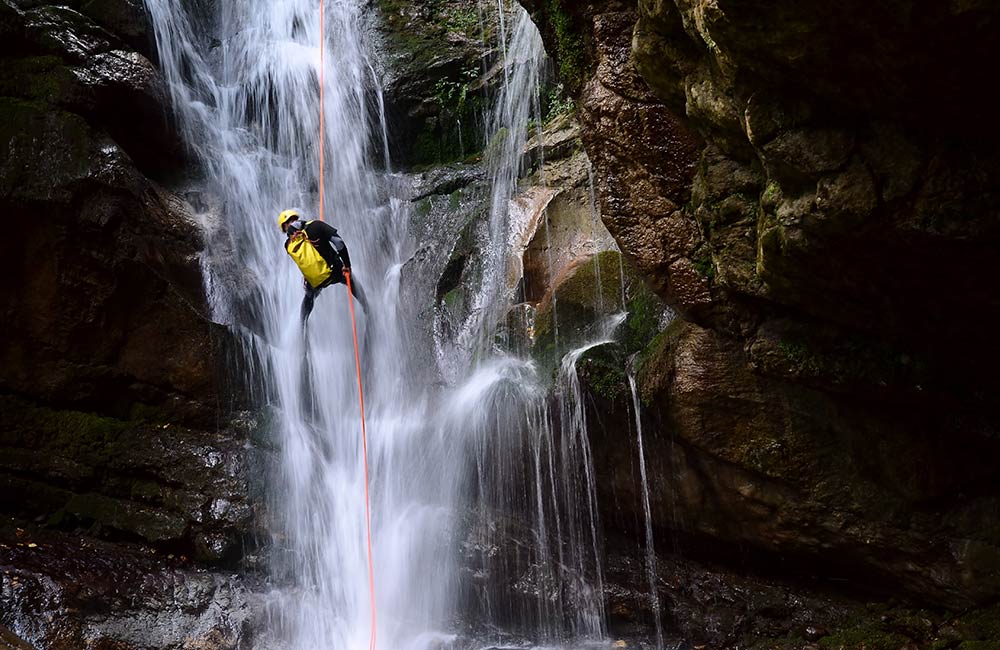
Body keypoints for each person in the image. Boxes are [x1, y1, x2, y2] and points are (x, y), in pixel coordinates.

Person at [278, 209, 368, 324]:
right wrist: (347, 265)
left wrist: (307, 275)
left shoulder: (288, 245)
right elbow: (338, 242)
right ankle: (367, 309)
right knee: (350, 280)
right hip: (335, 271)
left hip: (315, 280)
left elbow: (304, 260)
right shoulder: (316, 226)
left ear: (284, 227)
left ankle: (303, 325)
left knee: (309, 296)